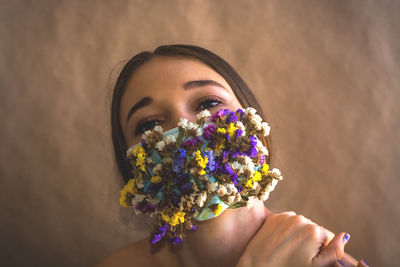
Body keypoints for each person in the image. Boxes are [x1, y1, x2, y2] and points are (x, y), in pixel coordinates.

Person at [96, 44, 369, 267]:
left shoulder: (319, 255)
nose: (185, 127)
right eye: (149, 125)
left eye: (208, 103)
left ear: (254, 124)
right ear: (133, 170)